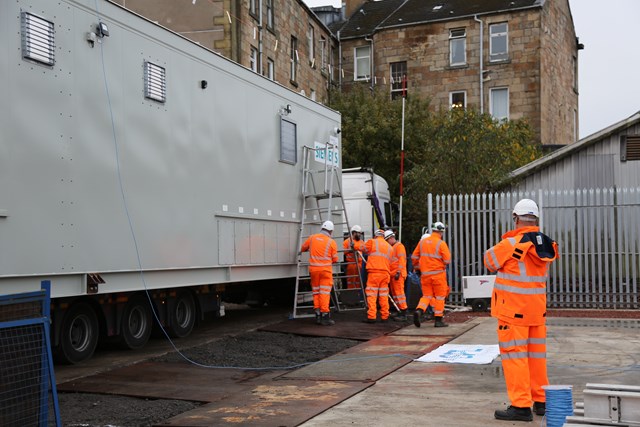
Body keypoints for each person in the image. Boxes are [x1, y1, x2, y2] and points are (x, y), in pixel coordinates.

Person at [484, 199, 558, 422]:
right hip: (537, 313)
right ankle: (541, 401)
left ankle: (521, 406)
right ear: (535, 219)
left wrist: (506, 242)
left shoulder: (510, 244)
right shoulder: (546, 245)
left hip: (513, 313)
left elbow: (489, 261)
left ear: (515, 218)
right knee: (536, 358)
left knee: (515, 357)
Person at [411, 222, 451, 328]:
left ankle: (419, 310)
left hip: (425, 275)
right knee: (439, 297)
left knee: (426, 296)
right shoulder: (441, 243)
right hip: (438, 275)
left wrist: (417, 268)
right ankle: (438, 320)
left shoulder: (422, 242)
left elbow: (414, 257)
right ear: (441, 232)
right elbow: (447, 260)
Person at [300, 220, 339, 326]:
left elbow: (303, 248)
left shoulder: (312, 238)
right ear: (330, 231)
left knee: (316, 292)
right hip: (325, 271)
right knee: (325, 293)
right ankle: (325, 316)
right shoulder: (331, 242)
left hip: (314, 271)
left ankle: (317, 315)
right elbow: (335, 259)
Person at [362, 229, 393, 323]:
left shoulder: (372, 242)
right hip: (385, 274)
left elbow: (363, 248)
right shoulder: (389, 247)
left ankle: (371, 316)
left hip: (374, 272)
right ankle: (385, 316)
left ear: (375, 235)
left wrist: (354, 245)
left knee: (372, 294)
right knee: (383, 295)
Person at [384, 230, 409, 321]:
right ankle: (400, 310)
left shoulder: (399, 246)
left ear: (391, 238)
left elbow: (402, 260)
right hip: (393, 274)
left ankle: (403, 312)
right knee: (395, 294)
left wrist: (398, 272)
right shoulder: (393, 247)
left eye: (387, 240)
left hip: (398, 274)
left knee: (399, 294)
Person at [343, 225, 365, 289]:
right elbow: (342, 252)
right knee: (351, 281)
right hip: (351, 264)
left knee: (359, 281)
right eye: (359, 233)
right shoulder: (347, 242)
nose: (360, 235)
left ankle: (358, 294)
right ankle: (351, 294)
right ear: (354, 233)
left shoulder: (361, 242)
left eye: (360, 233)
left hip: (360, 264)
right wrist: (350, 250)